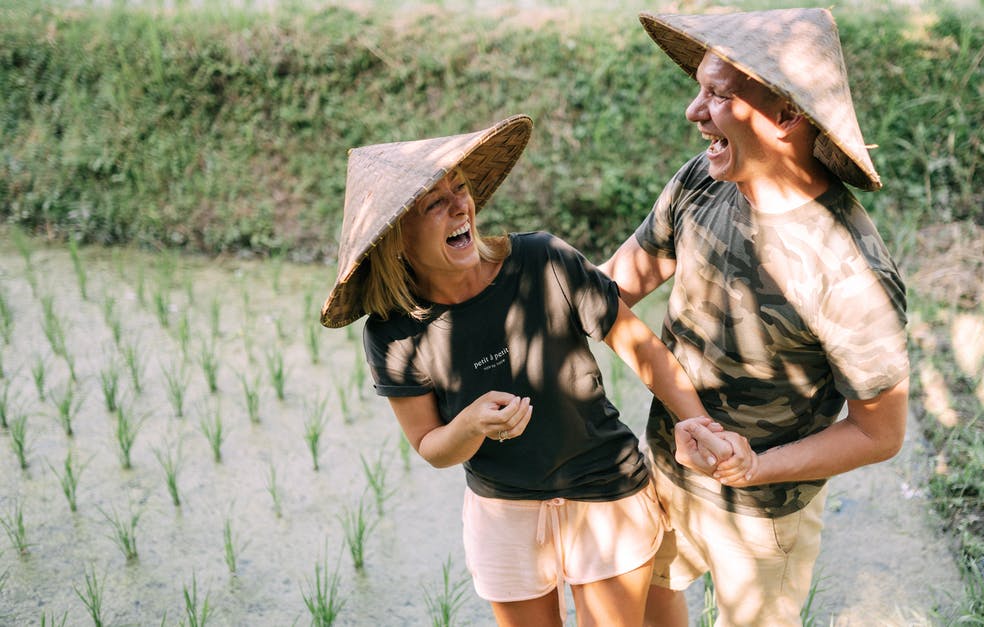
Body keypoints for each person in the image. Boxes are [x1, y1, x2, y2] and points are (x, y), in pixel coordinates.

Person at [319, 115, 716, 627]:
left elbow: (641, 347)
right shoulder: (393, 332)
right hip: (504, 513)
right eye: (433, 203)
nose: (459, 205)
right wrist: (469, 425)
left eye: (458, 188)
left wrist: (697, 422)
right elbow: (430, 446)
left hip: (604, 492)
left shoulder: (543, 261)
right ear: (397, 238)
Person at [598, 9, 911, 626]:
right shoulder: (702, 183)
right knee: (657, 606)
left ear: (787, 115)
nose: (693, 111)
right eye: (701, 89)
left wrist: (754, 467)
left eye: (718, 94)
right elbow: (612, 290)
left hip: (764, 514)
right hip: (666, 469)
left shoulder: (850, 274)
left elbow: (881, 433)